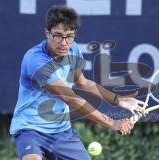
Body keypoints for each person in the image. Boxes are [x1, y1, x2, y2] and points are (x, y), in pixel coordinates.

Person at [9, 4, 146, 160]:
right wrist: (112, 123)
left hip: (61, 132)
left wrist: (118, 99)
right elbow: (71, 99)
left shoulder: (73, 49)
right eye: (58, 35)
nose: (64, 42)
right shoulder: (35, 60)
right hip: (30, 129)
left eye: (69, 36)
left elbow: (83, 83)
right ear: (47, 33)